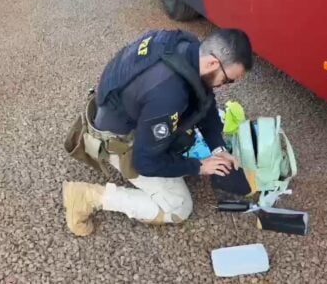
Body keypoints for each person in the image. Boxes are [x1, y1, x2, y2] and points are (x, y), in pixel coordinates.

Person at [63, 28, 253, 236]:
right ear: (212, 63)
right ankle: (87, 197)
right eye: (228, 80)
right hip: (119, 140)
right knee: (179, 207)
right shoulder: (168, 95)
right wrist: (199, 166)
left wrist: (218, 148)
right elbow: (145, 163)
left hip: (123, 111)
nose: (225, 87)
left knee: (177, 138)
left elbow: (204, 99)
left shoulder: (185, 45)